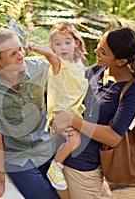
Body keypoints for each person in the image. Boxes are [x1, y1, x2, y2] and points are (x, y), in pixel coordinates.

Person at [0, 28, 79, 199]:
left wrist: (60, 123)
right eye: (13, 54)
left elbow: (62, 93)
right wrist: (0, 179)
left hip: (47, 147)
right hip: (16, 157)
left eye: (20, 49)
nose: (21, 56)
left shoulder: (40, 68)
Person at [51, 27, 135, 198]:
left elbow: (113, 136)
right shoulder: (95, 71)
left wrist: (71, 120)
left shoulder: (134, 88)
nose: (96, 51)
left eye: (103, 51)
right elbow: (69, 99)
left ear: (120, 61)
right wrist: (57, 122)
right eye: (99, 45)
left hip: (84, 171)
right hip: (57, 163)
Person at [25, 21, 88, 190]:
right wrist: (35, 46)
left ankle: (54, 165)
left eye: (67, 42)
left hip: (74, 112)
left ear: (76, 42)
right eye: (57, 44)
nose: (63, 47)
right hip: (61, 113)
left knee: (73, 141)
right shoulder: (58, 64)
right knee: (74, 139)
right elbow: (50, 55)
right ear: (52, 46)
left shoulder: (79, 65)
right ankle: (55, 166)